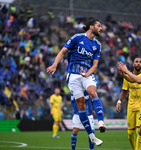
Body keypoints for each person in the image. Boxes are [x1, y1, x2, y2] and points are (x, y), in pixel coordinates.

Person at [47, 17, 104, 146]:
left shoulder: (97, 45)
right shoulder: (77, 38)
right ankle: (92, 137)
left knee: (93, 92)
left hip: (87, 74)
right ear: (91, 27)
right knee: (81, 106)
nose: (101, 28)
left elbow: (95, 65)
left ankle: (101, 122)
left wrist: (87, 74)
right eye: (99, 26)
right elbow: (62, 51)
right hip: (73, 75)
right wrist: (54, 65)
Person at [116, 57, 141, 150]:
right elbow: (124, 92)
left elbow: (136, 79)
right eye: (136, 62)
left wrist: (124, 73)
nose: (138, 63)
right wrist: (119, 101)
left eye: (140, 62)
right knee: (130, 134)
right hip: (131, 107)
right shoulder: (128, 77)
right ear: (133, 64)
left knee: (139, 131)